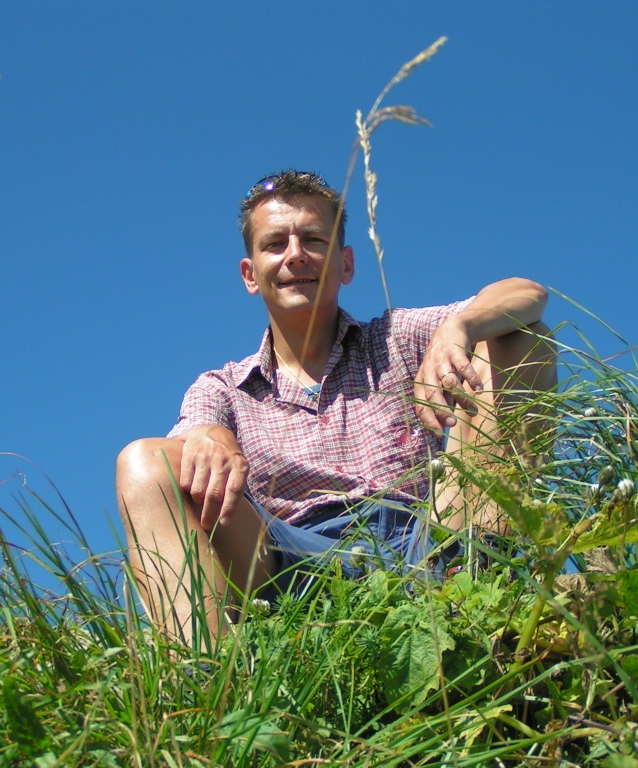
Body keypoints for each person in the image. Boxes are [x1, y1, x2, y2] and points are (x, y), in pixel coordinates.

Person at [116, 170, 556, 646]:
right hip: (292, 566)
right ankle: (207, 673)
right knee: (143, 463)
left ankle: (491, 583)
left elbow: (527, 294)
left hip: (427, 542)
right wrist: (210, 435)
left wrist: (461, 327)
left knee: (521, 340)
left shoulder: (396, 338)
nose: (295, 255)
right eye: (275, 244)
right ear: (250, 274)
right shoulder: (224, 387)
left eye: (313, 239)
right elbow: (193, 434)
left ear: (345, 264)